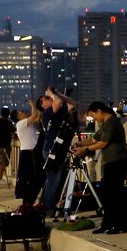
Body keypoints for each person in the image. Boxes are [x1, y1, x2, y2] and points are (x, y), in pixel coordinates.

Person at [73, 102, 127, 234]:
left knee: (115, 195)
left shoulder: (111, 123)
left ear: (99, 111)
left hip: (117, 162)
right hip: (109, 163)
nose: (94, 119)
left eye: (93, 115)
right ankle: (107, 223)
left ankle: (120, 225)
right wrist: (79, 143)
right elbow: (94, 139)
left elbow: (103, 143)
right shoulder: (105, 124)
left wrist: (85, 149)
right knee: (107, 195)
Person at [40, 87, 76, 219]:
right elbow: (59, 102)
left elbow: (71, 103)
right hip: (51, 150)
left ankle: (49, 205)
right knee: (53, 180)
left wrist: (58, 93)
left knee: (57, 179)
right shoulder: (47, 113)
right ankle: (49, 208)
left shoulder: (60, 112)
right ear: (43, 104)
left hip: (59, 149)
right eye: (47, 99)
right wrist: (52, 93)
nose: (50, 100)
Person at [13, 96, 44, 206]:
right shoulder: (20, 124)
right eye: (20, 112)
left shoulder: (27, 123)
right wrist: (32, 104)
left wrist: (34, 107)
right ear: (18, 117)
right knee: (28, 177)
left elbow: (37, 116)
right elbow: (35, 115)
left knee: (34, 177)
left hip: (32, 153)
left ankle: (29, 200)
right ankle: (27, 201)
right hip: (27, 153)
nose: (23, 112)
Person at [0, 106, 15, 184]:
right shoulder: (8, 123)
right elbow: (13, 134)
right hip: (5, 145)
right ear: (8, 114)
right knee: (3, 163)